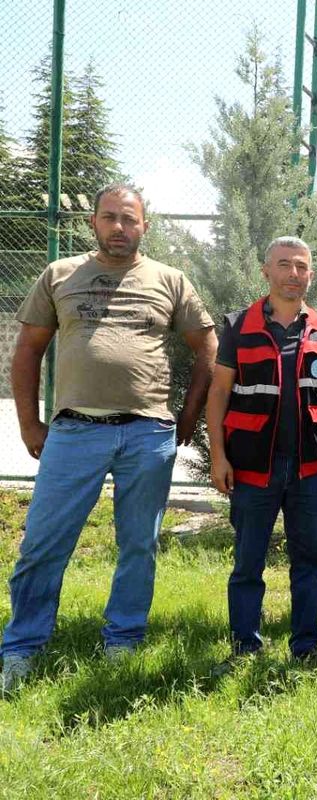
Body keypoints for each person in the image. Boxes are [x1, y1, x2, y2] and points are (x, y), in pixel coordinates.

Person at [1, 184, 216, 693]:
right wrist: (30, 424)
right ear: (94, 223)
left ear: (145, 226)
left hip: (148, 434)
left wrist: (187, 419)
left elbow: (207, 347)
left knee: (138, 545)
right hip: (74, 431)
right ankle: (22, 648)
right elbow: (28, 351)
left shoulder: (170, 279)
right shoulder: (59, 275)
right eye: (110, 218)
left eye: (130, 219)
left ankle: (123, 640)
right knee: (43, 544)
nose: (120, 227)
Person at [207, 236, 317, 661]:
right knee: (248, 564)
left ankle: (306, 646)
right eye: (284, 265)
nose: (293, 274)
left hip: (309, 470)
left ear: (311, 274)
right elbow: (218, 393)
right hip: (253, 469)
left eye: (301, 266)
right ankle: (245, 646)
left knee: (310, 562)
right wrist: (218, 455)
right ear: (266, 270)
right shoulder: (238, 325)